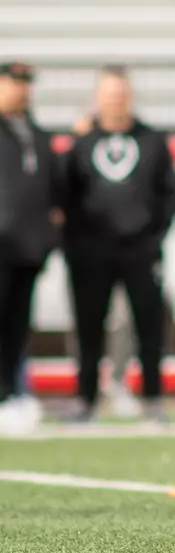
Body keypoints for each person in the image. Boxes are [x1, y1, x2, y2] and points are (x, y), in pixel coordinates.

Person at [61, 67, 175, 424]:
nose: (115, 101)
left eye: (121, 94)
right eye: (109, 95)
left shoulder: (152, 140)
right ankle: (85, 400)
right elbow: (64, 192)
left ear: (130, 97)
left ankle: (152, 399)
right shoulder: (82, 143)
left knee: (149, 327)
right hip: (91, 251)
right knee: (88, 328)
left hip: (140, 250)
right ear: (98, 99)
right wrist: (77, 241)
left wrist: (153, 235)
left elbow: (171, 193)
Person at [0, 62, 61, 435]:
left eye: (25, 83)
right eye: (13, 82)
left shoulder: (36, 134)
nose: (21, 89)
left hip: (28, 247)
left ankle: (13, 394)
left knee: (16, 326)